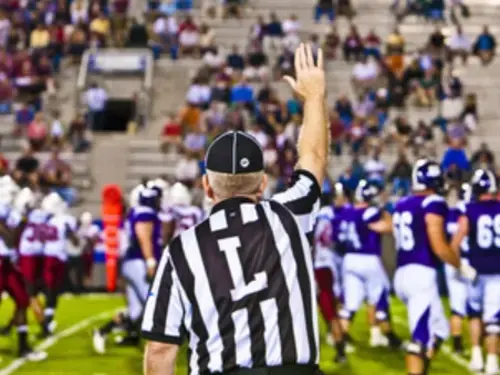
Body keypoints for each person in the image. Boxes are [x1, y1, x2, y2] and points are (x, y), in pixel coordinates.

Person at [142, 43, 328, 375]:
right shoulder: (288, 217)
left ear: (207, 187)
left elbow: (160, 347)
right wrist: (314, 97)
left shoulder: (182, 250)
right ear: (262, 184)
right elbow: (313, 158)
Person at [392, 159, 475, 375]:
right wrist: (460, 265)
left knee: (440, 330)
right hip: (421, 274)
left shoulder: (402, 204)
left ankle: (424, 369)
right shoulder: (433, 202)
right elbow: (439, 246)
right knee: (419, 340)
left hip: (402, 272)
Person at [93, 187, 163, 353]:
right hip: (139, 262)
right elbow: (143, 237)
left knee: (136, 311)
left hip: (132, 263)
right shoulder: (145, 213)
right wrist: (151, 262)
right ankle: (159, 345)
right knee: (154, 304)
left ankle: (105, 332)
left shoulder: (134, 212)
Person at [340, 180, 401, 349]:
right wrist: (383, 211)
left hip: (349, 259)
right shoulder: (371, 212)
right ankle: (389, 336)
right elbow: (388, 227)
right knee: (380, 296)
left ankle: (341, 341)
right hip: (367, 258)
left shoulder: (347, 211)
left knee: (350, 304)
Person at [451, 169, 500, 374]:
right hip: (498, 271)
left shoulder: (469, 210)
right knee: (493, 320)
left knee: (474, 314)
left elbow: (457, 240)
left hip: (475, 270)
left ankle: (477, 356)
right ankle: (491, 362)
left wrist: (457, 263)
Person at [0, 185, 47, 361]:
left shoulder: (10, 211)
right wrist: (23, 217)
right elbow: (10, 238)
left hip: (9, 262)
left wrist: (23, 218)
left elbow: (14, 237)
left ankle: (23, 347)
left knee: (22, 300)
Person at [444, 183, 477, 356]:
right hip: (474, 262)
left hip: (453, 261)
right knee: (477, 307)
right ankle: (479, 345)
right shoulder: (475, 211)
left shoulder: (450, 213)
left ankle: (457, 345)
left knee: (457, 306)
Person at [313, 194, 347, 362]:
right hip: (330, 263)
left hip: (318, 266)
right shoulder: (331, 215)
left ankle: (340, 348)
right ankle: (339, 346)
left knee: (328, 309)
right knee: (330, 307)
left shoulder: (315, 218)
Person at [40, 193, 78, 337]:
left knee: (53, 289)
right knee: (51, 289)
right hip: (53, 256)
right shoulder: (58, 219)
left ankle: (48, 317)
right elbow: (74, 239)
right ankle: (47, 318)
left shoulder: (51, 219)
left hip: (54, 255)